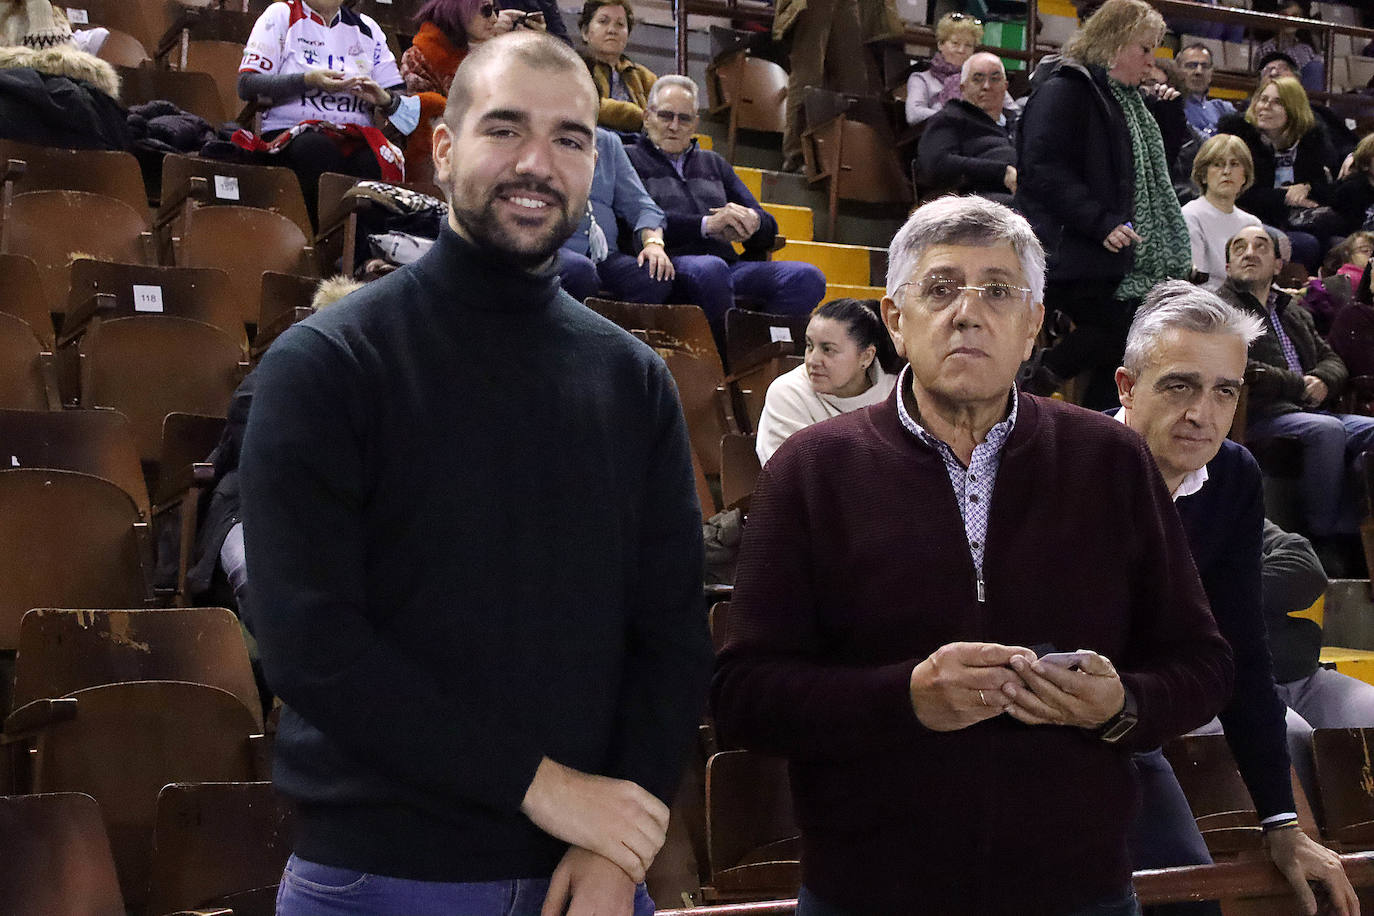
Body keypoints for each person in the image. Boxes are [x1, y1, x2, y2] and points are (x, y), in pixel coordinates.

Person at [240, 31, 711, 916]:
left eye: (571, 139)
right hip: (382, 877)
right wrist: (544, 788)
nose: (539, 163)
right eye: (506, 130)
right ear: (445, 149)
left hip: (591, 876)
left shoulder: (632, 378)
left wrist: (621, 843)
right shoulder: (327, 363)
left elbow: (673, 635)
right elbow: (313, 647)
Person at [712, 194, 1234, 915]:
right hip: (869, 894)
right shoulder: (811, 468)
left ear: (1032, 328)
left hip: (1078, 893)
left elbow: (1203, 664)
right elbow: (745, 698)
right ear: (895, 322)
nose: (967, 311)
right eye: (939, 287)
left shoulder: (1110, 460)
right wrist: (905, 700)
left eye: (997, 291)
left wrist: (1121, 706)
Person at [1113, 279, 1359, 916]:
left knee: (1190, 900)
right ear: (1125, 387)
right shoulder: (1066, 459)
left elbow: (1239, 651)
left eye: (1224, 390)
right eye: (1179, 385)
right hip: (1035, 726)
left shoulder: (1232, 473)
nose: (1203, 412)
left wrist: (1282, 824)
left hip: (1135, 724)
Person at [1015, 0, 1192, 410]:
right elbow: (1042, 168)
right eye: (1143, 49)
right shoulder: (1066, 89)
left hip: (1106, 252)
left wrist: (1167, 115)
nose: (1151, 62)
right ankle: (1048, 373)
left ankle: (1103, 425)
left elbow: (1146, 173)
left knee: (1148, 328)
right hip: (1066, 250)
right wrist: (1100, 222)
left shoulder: (1127, 102)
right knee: (1135, 326)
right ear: (1113, 45)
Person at [625, 75, 826, 338]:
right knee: (710, 269)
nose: (674, 126)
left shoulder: (714, 163)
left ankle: (758, 351)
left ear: (695, 123)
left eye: (684, 119)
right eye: (665, 116)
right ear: (647, 116)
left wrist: (752, 222)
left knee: (807, 277)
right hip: (668, 266)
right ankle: (729, 358)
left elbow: (768, 224)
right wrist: (706, 227)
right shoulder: (629, 158)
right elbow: (633, 220)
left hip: (727, 267)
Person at [1217, 224, 1374, 557]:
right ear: (1228, 266)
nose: (1249, 252)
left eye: (1260, 246)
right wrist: (1300, 385)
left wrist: (1323, 379)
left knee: (1370, 430)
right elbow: (1240, 367)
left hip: (1309, 410)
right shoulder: (1221, 311)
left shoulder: (1292, 311)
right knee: (1328, 430)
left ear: (1277, 264)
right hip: (1261, 414)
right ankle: (1322, 537)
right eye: (1239, 248)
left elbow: (1332, 358)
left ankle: (1356, 525)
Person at [237, 0, 418, 224]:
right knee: (316, 148)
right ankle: (323, 244)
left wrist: (383, 98)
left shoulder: (367, 28)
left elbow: (402, 102)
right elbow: (247, 84)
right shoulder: (281, 15)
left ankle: (361, 251)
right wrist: (307, 80)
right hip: (289, 133)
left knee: (374, 159)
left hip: (354, 135)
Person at [1262, 519, 1374, 808]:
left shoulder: (1225, 504)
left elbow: (1306, 570)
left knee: (1370, 711)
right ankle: (1307, 842)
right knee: (1289, 734)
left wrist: (1223, 584)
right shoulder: (1148, 519)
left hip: (1301, 675)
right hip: (1230, 682)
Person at [399, 0, 545, 180]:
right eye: (486, 10)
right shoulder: (420, 55)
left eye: (496, 11)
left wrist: (536, 50)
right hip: (445, 159)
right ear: (459, 9)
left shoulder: (504, 54)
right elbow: (427, 118)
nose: (493, 19)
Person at [754, 298, 898, 464]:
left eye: (828, 349)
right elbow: (792, 479)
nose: (812, 360)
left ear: (866, 356)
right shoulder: (788, 393)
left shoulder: (896, 393)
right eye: (809, 346)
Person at [1214, 76, 1337, 271]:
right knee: (1307, 244)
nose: (1265, 107)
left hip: (1294, 221)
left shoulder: (1310, 143)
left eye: (1277, 102)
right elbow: (1238, 193)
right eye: (1263, 100)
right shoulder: (1239, 141)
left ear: (1293, 109)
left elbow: (1327, 190)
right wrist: (1284, 196)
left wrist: (1307, 187)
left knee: (1337, 241)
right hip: (1247, 218)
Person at [558, 126, 673, 301]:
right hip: (557, 249)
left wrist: (653, 244)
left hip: (606, 255)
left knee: (654, 274)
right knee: (580, 270)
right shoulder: (546, 134)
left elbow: (641, 204)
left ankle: (616, 330)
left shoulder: (608, 142)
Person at [915, 51, 1018, 205]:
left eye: (995, 79)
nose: (986, 86)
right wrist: (1001, 172)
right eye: (977, 79)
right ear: (963, 88)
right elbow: (935, 164)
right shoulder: (950, 118)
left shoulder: (1018, 123)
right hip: (979, 203)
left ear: (1005, 86)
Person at [1182, 133, 1262, 291]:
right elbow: (1196, 282)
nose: (1226, 171)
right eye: (1218, 165)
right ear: (1203, 175)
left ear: (1244, 177)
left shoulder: (1252, 223)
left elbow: (1259, 277)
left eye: (1234, 164)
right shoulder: (1190, 215)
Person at [579, 0, 655, 132]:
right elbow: (583, 106)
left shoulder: (643, 76)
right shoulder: (575, 68)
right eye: (603, 21)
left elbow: (664, 115)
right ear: (585, 32)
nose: (612, 30)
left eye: (620, 24)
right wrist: (635, 115)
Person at [905, 11, 981, 126]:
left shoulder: (982, 78)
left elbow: (1012, 109)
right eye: (955, 43)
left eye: (968, 45)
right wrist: (957, 117)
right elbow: (914, 114)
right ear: (940, 44)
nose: (961, 50)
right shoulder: (921, 79)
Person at [1254, 0, 1323, 94]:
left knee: (1316, 67)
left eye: (1295, 16)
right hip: (1278, 94)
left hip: (1302, 95)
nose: (1290, 20)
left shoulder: (1306, 50)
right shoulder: (1266, 48)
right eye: (1285, 15)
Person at [1175, 43, 1234, 139]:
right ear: (1177, 70)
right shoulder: (1173, 108)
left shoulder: (1224, 109)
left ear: (1211, 73)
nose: (1199, 71)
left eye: (1205, 66)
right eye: (1191, 66)